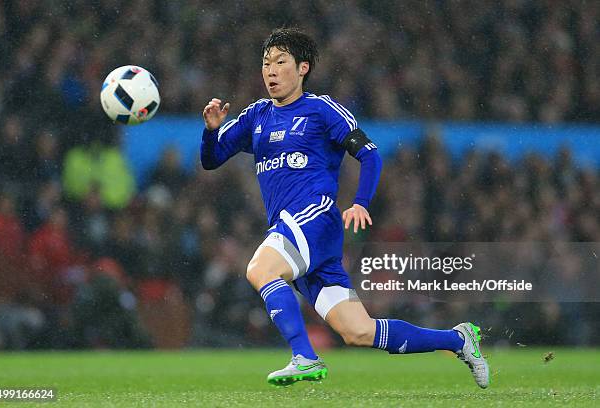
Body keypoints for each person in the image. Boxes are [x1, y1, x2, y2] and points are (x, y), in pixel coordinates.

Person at [200, 28, 489, 388]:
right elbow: (211, 159)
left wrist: (360, 202)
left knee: (259, 269)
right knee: (358, 331)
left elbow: (369, 155)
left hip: (314, 216)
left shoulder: (321, 110)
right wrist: (211, 131)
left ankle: (304, 357)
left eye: (280, 62)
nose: (271, 71)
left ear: (302, 67)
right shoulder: (256, 116)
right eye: (266, 64)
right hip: (297, 230)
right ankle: (459, 340)